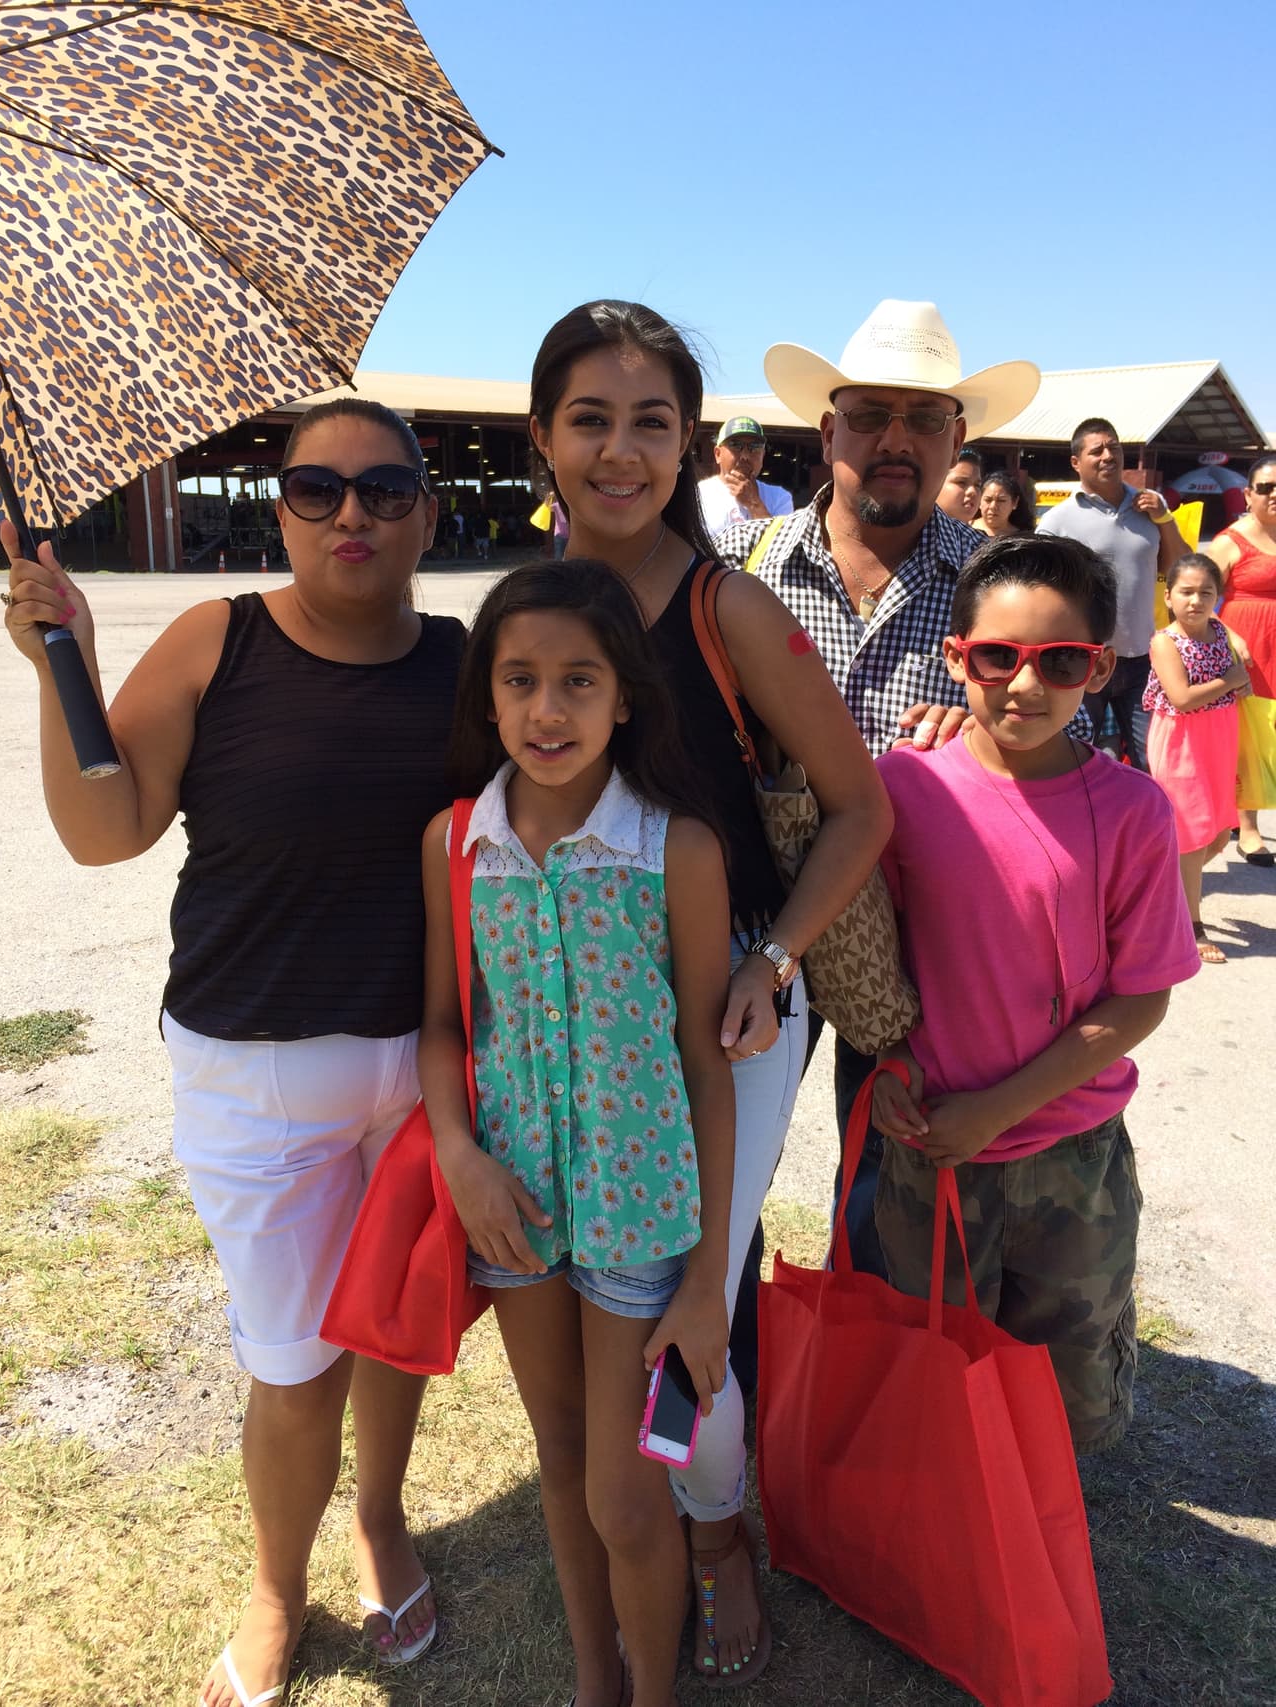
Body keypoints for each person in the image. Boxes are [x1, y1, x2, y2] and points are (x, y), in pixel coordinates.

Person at [2, 399, 463, 1707]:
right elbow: (110, 826)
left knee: (390, 1333)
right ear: (283, 514)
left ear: (428, 510)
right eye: (318, 491)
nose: (353, 514)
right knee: (290, 1355)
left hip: (423, 1066)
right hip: (251, 1071)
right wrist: (62, 669)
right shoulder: (220, 638)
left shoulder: (465, 660)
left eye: (384, 488)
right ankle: (277, 1584)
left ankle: (381, 1520)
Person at [526, 298, 891, 1688]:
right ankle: (645, 1508)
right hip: (565, 1016)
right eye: (592, 419)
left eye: (653, 423)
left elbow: (858, 811)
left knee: (693, 1294)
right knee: (594, 1285)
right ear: (542, 435)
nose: (622, 451)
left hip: (724, 1007)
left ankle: (717, 1522)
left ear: (692, 442)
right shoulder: (513, 609)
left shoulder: (726, 600)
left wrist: (776, 955)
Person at [419, 560, 736, 1707]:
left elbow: (708, 1069)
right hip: (511, 1203)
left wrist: (707, 1278)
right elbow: (443, 1026)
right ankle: (594, 1680)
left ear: (625, 699)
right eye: (519, 681)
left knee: (620, 1491)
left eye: (576, 682)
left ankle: (653, 1691)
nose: (546, 710)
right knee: (558, 1462)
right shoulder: (454, 845)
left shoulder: (675, 852)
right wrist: (458, 1156)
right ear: (488, 700)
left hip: (640, 1210)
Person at [714, 298, 1041, 1276]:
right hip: (745, 924)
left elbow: (1045, 759)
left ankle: (859, 1382)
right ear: (826, 432)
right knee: (719, 1170)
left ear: (958, 439)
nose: (894, 439)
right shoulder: (739, 569)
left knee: (888, 1187)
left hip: (911, 943)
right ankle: (721, 1365)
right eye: (868, 415)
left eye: (923, 417)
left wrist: (987, 738)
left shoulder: (999, 590)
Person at [872, 533, 1199, 1453]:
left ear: (1099, 670)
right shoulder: (902, 786)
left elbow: (1140, 1001)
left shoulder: (1134, 809)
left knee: (1067, 1386)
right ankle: (945, 1534)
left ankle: (1036, 1542)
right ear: (955, 657)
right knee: (933, 1366)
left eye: (1059, 661)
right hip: (930, 1142)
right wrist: (893, 1063)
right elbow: (872, 957)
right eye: (996, 656)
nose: (1024, 684)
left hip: (1071, 1158)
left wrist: (998, 1110)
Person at [1036, 416, 1187, 771]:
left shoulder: (1149, 509)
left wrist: (1165, 519)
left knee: (1151, 760)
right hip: (1084, 661)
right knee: (1077, 756)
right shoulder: (1058, 521)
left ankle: (1146, 825)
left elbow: (1179, 567)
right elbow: (1039, 587)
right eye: (1097, 450)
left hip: (1141, 661)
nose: (1108, 455)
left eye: (1114, 447)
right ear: (1076, 463)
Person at [1144, 554, 1249, 962]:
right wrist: (1232, 680)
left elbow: (1235, 679)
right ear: (1169, 597)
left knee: (1220, 833)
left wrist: (1236, 682)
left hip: (1219, 741)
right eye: (1186, 592)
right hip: (1181, 744)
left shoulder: (1219, 632)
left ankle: (1163, 886)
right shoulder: (1165, 641)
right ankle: (1192, 924)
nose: (1195, 600)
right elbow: (1182, 698)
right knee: (1190, 833)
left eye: (1206, 592)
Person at [1204, 452, 1276, 865]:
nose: (1273, 495)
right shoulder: (1231, 541)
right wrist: (1231, 635)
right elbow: (1201, 598)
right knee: (1248, 739)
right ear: (1248, 495)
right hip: (1248, 648)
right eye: (1265, 488)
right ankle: (1247, 827)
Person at [696, 415, 794, 538]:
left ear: (763, 455)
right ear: (718, 454)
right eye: (736, 445)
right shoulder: (698, 496)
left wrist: (754, 503)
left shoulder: (780, 497)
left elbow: (782, 548)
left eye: (754, 447)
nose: (745, 456)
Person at [973, 469, 1035, 538]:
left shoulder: (1022, 538)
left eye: (1001, 500)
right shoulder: (964, 530)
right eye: (988, 500)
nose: (993, 506)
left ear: (1014, 503)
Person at [936, 447, 983, 523]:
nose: (973, 491)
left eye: (977, 485)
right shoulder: (913, 531)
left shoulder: (977, 535)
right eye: (961, 482)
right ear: (936, 484)